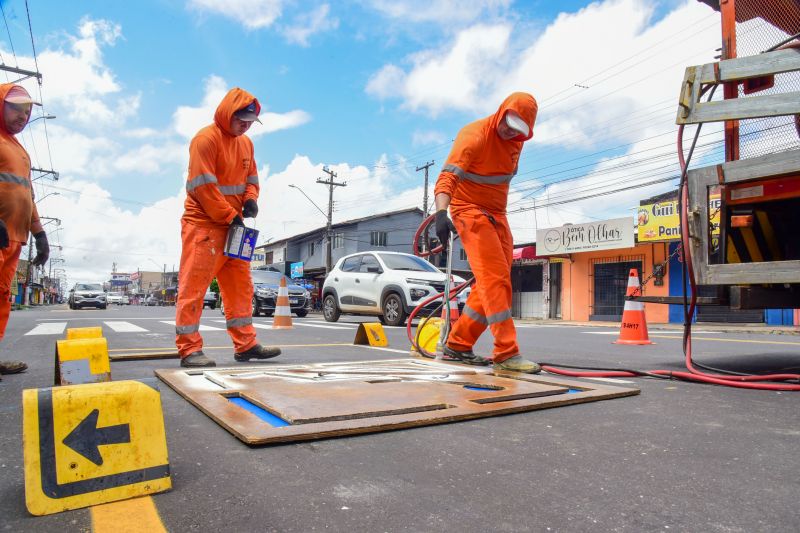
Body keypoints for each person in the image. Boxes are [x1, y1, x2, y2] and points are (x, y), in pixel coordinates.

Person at [433, 92, 540, 373]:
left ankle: (458, 343)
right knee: (495, 280)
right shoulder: (474, 135)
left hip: (498, 214)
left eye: (518, 131)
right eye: (507, 124)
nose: (509, 132)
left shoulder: (515, 141)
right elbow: (447, 178)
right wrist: (441, 213)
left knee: (494, 280)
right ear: (501, 112)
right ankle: (506, 352)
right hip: (468, 210)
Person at [175, 87, 280, 368]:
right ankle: (189, 350)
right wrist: (228, 215)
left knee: (240, 287)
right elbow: (203, 187)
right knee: (194, 288)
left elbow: (252, 179)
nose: (246, 126)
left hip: (234, 226)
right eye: (241, 120)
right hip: (204, 226)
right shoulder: (205, 140)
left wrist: (251, 201)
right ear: (227, 114)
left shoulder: (246, 144)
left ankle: (245, 346)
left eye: (249, 122)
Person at [0, 84, 49, 380]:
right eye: (17, 108)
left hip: (13, 239)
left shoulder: (19, 150)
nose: (23, 115)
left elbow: (28, 197)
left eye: (28, 111)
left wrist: (41, 235)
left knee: (3, 298)